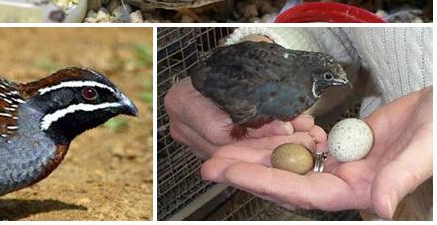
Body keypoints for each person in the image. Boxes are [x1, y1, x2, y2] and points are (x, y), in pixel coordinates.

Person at [165, 27, 432, 219]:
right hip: (376, 170)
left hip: (386, 175)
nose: (334, 81)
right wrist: (265, 43)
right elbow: (344, 29)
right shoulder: (270, 91)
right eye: (329, 77)